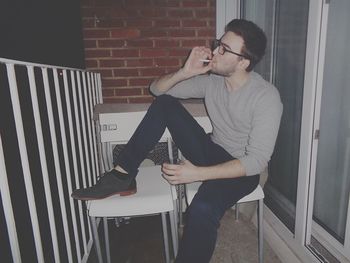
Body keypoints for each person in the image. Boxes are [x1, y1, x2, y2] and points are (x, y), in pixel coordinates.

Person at [72, 19, 283, 263]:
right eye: (217, 44)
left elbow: (256, 161)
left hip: (242, 169)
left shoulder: (266, 97)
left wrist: (198, 174)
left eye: (224, 49)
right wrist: (186, 72)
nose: (214, 51)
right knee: (165, 105)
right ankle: (121, 176)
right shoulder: (212, 81)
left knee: (203, 208)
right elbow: (157, 90)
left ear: (243, 62)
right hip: (212, 148)